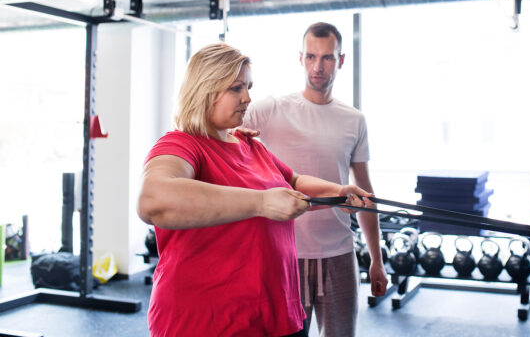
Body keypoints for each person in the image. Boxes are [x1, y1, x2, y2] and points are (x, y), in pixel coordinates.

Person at [137, 43, 372, 337]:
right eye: (236, 88)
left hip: (278, 314)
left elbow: (294, 182)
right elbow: (153, 200)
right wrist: (261, 203)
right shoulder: (181, 145)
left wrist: (339, 193)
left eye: (248, 87)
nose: (247, 98)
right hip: (210, 322)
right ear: (204, 89)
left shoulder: (248, 144)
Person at [244, 22, 388, 337]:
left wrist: (377, 259)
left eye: (326, 58)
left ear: (341, 60)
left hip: (338, 252)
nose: (317, 66)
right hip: (284, 253)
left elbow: (364, 193)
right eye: (310, 57)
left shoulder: (354, 120)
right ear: (300, 58)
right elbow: (224, 129)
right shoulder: (271, 110)